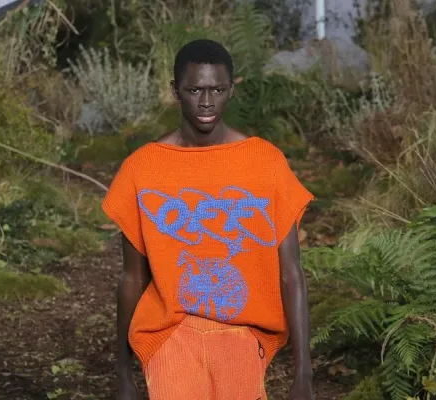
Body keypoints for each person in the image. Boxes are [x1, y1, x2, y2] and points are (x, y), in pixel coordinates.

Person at [101, 38, 315, 400]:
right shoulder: (143, 169)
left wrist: (304, 374)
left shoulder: (265, 163)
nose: (205, 101)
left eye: (216, 89)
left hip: (242, 334)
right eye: (194, 90)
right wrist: (123, 374)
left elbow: (291, 273)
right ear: (175, 91)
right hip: (169, 334)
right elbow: (132, 277)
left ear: (231, 89)